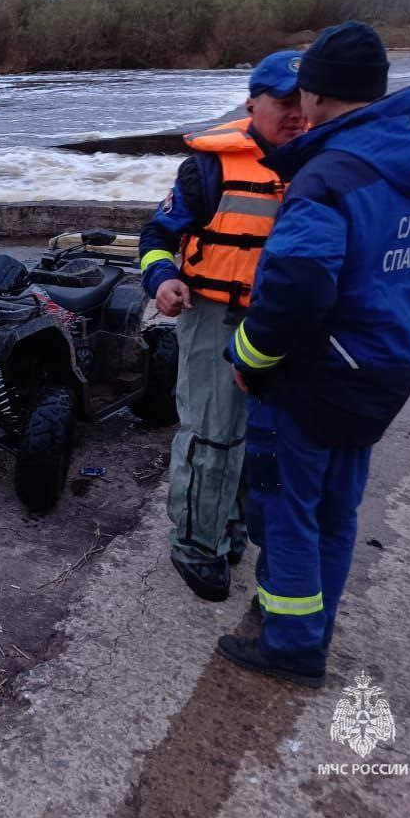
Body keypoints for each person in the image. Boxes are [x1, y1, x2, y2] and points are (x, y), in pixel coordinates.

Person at [219, 21, 410, 686]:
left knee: (288, 508)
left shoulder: (330, 176)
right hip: (386, 371)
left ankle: (292, 643)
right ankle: (313, 622)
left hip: (316, 377)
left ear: (319, 95)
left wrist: (248, 356)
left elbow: (295, 288)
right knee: (338, 508)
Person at [138, 51, 307, 601]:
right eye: (283, 102)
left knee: (260, 436)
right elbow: (156, 237)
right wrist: (162, 281)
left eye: (304, 101)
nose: (296, 113)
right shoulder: (207, 169)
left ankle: (230, 530)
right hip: (213, 317)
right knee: (212, 434)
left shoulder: (319, 162)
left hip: (280, 322)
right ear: (252, 103)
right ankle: (194, 545)